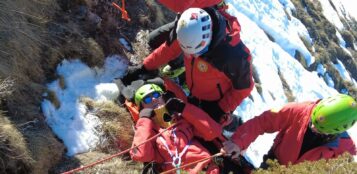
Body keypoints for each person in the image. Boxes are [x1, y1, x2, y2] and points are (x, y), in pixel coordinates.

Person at [125, 7, 254, 127]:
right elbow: (168, 50)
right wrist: (144, 67)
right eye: (185, 51)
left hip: (217, 100)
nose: (191, 56)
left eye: (197, 53)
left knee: (213, 123)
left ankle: (234, 124)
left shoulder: (234, 56)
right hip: (196, 88)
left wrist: (221, 108)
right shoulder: (186, 28)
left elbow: (244, 88)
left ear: (207, 40)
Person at [221, 94, 357, 169]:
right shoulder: (299, 111)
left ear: (336, 132)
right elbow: (263, 121)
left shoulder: (345, 149)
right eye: (312, 121)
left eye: (319, 129)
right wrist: (238, 142)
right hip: (273, 163)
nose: (312, 127)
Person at [129, 82, 224, 174]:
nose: (154, 99)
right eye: (147, 99)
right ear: (142, 107)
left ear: (163, 97)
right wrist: (144, 120)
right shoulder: (147, 132)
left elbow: (213, 131)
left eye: (156, 95)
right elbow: (141, 155)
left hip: (204, 168)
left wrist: (184, 108)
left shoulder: (182, 119)